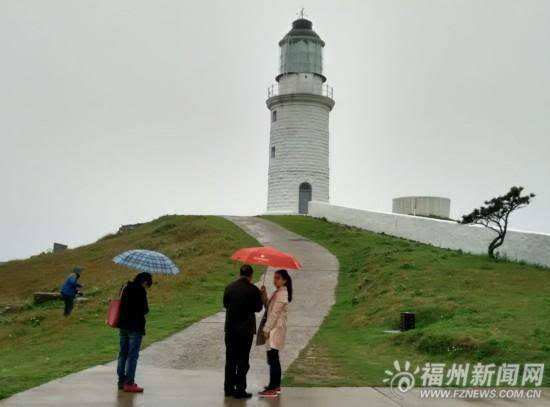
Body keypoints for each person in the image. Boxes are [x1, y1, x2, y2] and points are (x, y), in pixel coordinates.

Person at [223, 264, 263, 399]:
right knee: (242, 360)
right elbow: (258, 308)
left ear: (240, 274)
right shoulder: (254, 290)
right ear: (251, 275)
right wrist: (261, 296)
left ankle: (228, 388)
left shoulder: (229, 288)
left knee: (230, 359)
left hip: (230, 330)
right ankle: (240, 390)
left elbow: (225, 304)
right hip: (245, 332)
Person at [258, 269, 292, 398]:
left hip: (275, 329)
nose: (275, 280)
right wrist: (264, 296)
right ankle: (275, 385)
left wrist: (266, 329)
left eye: (278, 278)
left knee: (273, 359)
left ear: (284, 280)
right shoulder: (278, 293)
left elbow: (274, 314)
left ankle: (273, 387)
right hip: (274, 328)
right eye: (274, 277)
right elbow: (269, 307)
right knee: (273, 358)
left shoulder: (282, 294)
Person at [117, 272, 152, 393]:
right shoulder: (141, 292)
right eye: (148, 285)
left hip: (123, 326)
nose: (147, 287)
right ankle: (129, 383)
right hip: (135, 328)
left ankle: (121, 382)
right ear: (145, 282)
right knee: (132, 356)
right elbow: (145, 310)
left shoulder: (126, 287)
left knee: (123, 354)